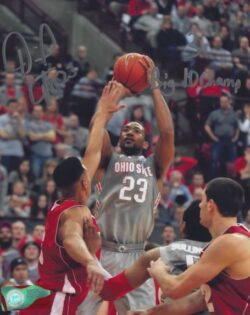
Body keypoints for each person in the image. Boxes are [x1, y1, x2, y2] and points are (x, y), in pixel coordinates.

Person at [15, 81, 129, 315]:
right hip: (56, 301)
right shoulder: (75, 213)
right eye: (86, 173)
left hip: (51, 295)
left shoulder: (67, 202)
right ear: (85, 182)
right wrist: (90, 260)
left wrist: (103, 111)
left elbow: (94, 150)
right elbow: (71, 239)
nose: (90, 168)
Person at [80, 56, 175, 314]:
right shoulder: (108, 159)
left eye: (136, 130)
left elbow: (167, 133)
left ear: (146, 143)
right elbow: (96, 130)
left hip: (137, 255)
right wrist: (106, 105)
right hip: (103, 249)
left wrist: (155, 86)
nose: (129, 132)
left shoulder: (154, 167)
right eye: (125, 130)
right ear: (119, 138)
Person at [128, 178, 250, 315]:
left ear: (210, 205)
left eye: (202, 200)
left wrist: (159, 270)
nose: (199, 205)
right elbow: (194, 302)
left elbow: (174, 289)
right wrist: (149, 312)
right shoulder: (231, 240)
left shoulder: (229, 243)